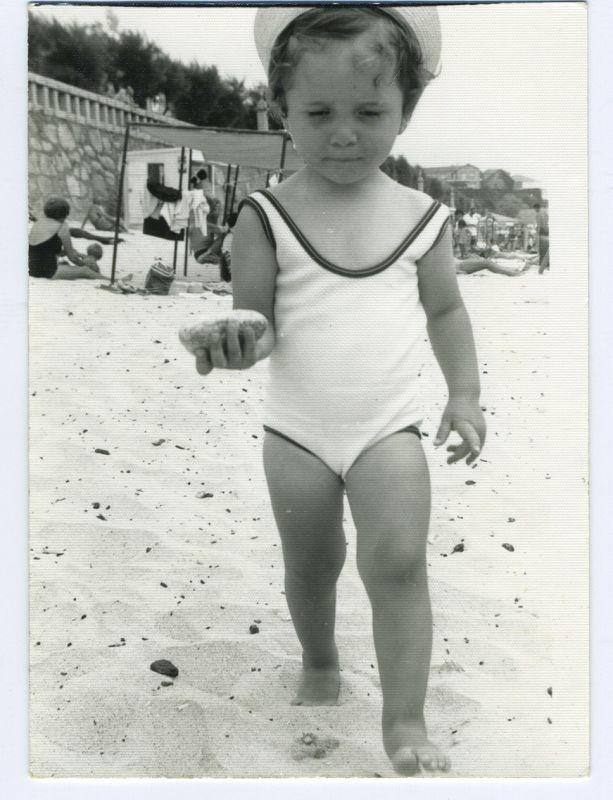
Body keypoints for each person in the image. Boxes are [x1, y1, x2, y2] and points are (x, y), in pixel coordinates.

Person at [188, 6, 485, 776]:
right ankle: (319, 659)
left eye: (368, 111)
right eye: (317, 113)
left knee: (397, 564)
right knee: (311, 563)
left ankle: (405, 720)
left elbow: (446, 310)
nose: (343, 131)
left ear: (405, 112)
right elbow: (260, 325)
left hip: (389, 427)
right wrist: (230, 346)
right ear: (278, 110)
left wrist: (464, 396)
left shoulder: (422, 216)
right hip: (296, 432)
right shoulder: (266, 214)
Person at [29, 197, 110, 280]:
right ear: (64, 213)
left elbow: (42, 249)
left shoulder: (39, 223)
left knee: (67, 261)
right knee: (85, 270)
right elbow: (72, 258)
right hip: (48, 273)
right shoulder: (62, 226)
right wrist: (85, 265)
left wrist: (69, 253)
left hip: (31, 269)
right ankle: (109, 280)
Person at [533, 203, 549, 273]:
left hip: (542, 232)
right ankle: (547, 263)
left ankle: (542, 263)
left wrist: (537, 234)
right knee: (546, 249)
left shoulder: (538, 215)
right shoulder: (545, 213)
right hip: (547, 231)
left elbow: (539, 225)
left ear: (536, 208)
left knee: (542, 249)